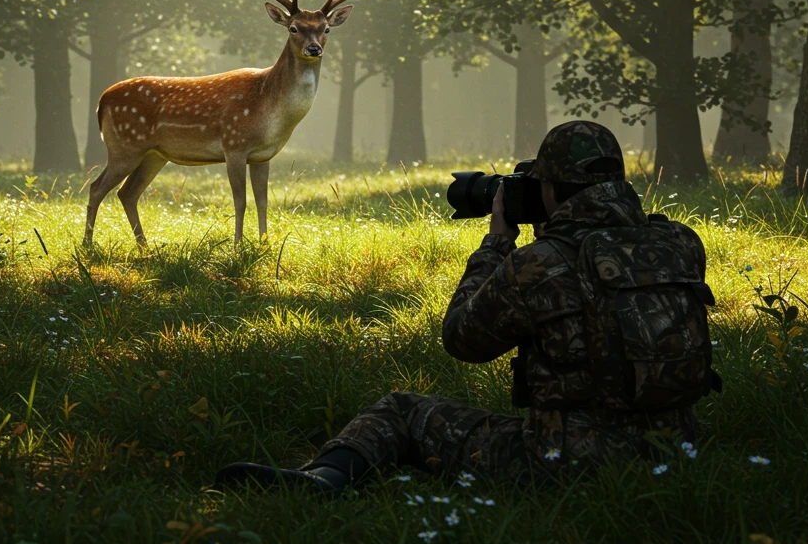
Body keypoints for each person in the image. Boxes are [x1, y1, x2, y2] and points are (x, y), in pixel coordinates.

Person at [211, 120, 720, 493]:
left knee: (402, 410)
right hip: (672, 452)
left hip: (567, 461)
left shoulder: (540, 263)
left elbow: (462, 339)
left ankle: (324, 479)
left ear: (549, 188)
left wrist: (497, 244)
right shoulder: (679, 244)